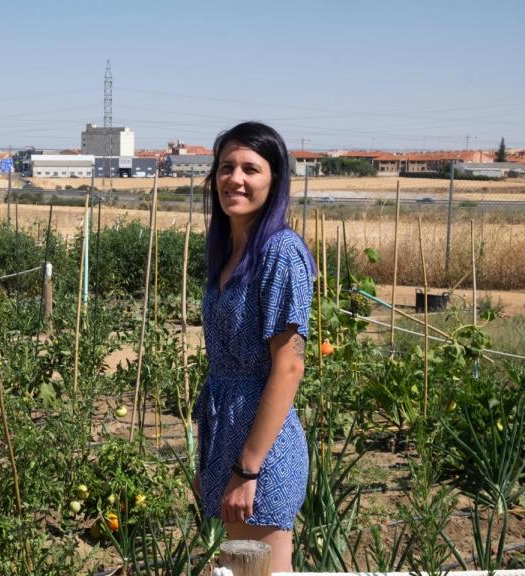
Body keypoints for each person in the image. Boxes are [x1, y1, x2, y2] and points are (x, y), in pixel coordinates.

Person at [193, 121, 315, 572]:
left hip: (263, 450)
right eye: (226, 167)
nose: (235, 179)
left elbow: (289, 368)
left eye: (250, 168)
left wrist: (247, 470)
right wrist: (212, 461)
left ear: (275, 180)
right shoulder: (227, 253)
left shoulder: (280, 253)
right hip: (230, 437)